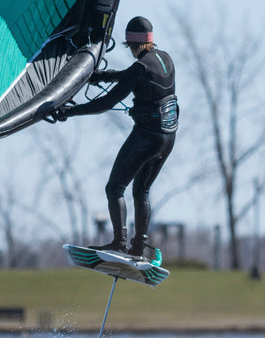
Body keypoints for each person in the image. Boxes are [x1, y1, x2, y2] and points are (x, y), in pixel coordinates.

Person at [56, 16, 178, 260]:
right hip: (168, 138)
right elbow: (130, 76)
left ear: (131, 44)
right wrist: (102, 77)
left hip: (146, 136)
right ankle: (138, 247)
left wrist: (69, 111)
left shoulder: (140, 68)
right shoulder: (165, 59)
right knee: (141, 191)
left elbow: (105, 102)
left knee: (115, 188)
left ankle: (119, 243)